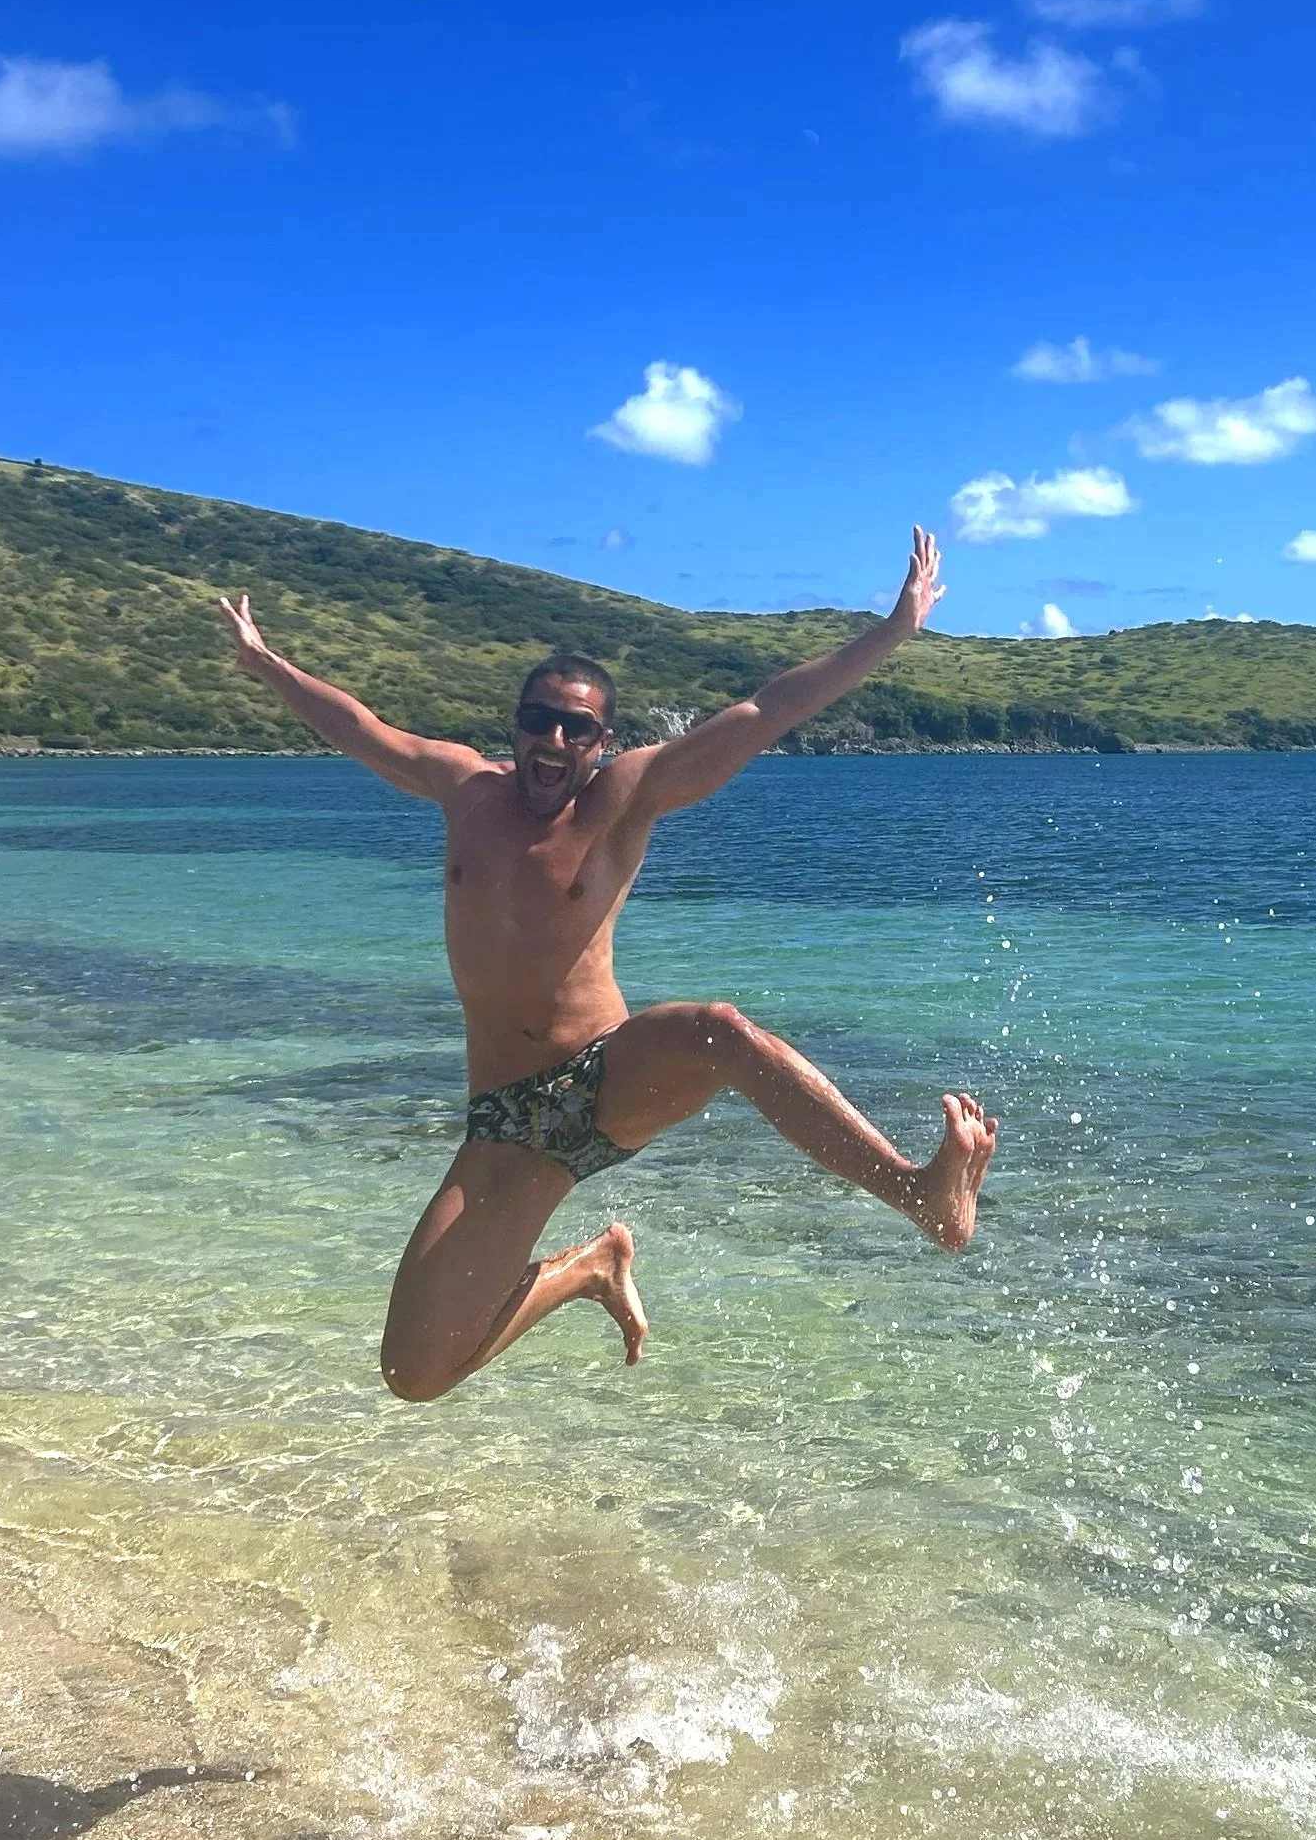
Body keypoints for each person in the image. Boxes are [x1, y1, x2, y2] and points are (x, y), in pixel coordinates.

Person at [217, 528, 997, 1402]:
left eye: (575, 727)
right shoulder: (465, 789)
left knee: (719, 1031)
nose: (552, 739)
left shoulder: (626, 798)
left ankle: (920, 1193)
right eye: (537, 720)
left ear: (602, 740)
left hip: (606, 1074)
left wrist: (893, 630)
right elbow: (359, 726)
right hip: (508, 1123)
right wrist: (265, 664)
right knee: (413, 1371)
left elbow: (766, 709)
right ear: (513, 725)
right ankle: (589, 1268)